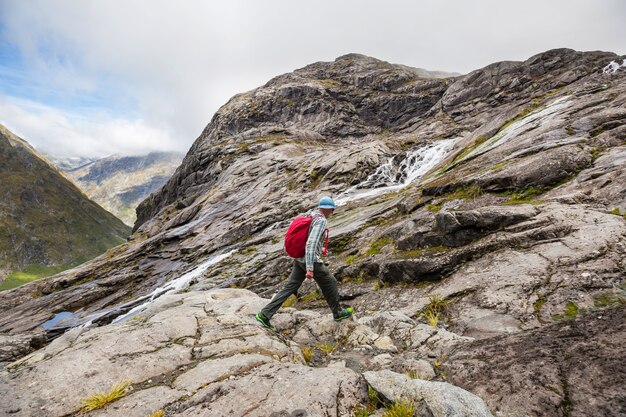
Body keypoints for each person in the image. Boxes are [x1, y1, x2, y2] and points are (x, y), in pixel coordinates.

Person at [255, 196, 353, 330]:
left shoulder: (310, 214)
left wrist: (321, 249)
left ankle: (264, 315)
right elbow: (311, 243)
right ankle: (338, 313)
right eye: (332, 209)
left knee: (289, 287)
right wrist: (310, 268)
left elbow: (307, 238)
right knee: (330, 282)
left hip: (299, 258)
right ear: (328, 209)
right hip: (309, 260)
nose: (333, 212)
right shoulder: (321, 221)